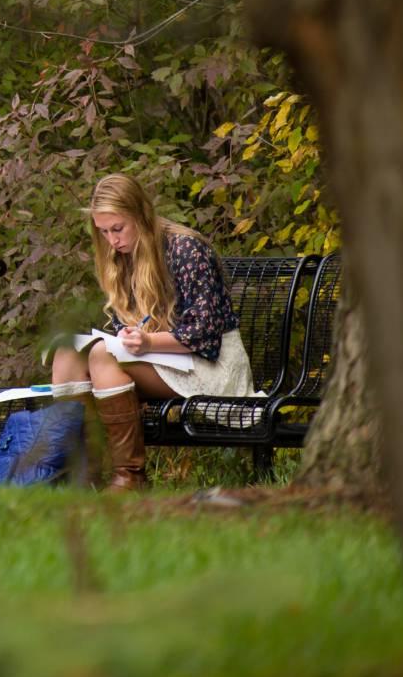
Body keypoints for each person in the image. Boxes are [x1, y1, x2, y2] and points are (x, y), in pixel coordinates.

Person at [46, 172, 253, 491]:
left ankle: (130, 478)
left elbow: (205, 335)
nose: (112, 240)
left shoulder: (186, 248)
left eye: (118, 228)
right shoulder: (121, 257)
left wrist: (147, 341)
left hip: (210, 365)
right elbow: (124, 326)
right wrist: (131, 337)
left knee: (102, 355)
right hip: (160, 359)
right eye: (103, 232)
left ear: (140, 214)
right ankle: (81, 479)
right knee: (67, 354)